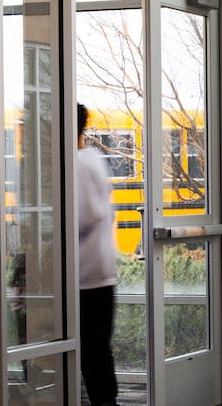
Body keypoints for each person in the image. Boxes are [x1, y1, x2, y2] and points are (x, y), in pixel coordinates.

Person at [77, 103, 119, 406]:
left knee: (92, 351)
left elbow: (85, 215)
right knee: (98, 348)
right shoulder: (93, 158)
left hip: (83, 274)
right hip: (100, 270)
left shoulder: (77, 163)